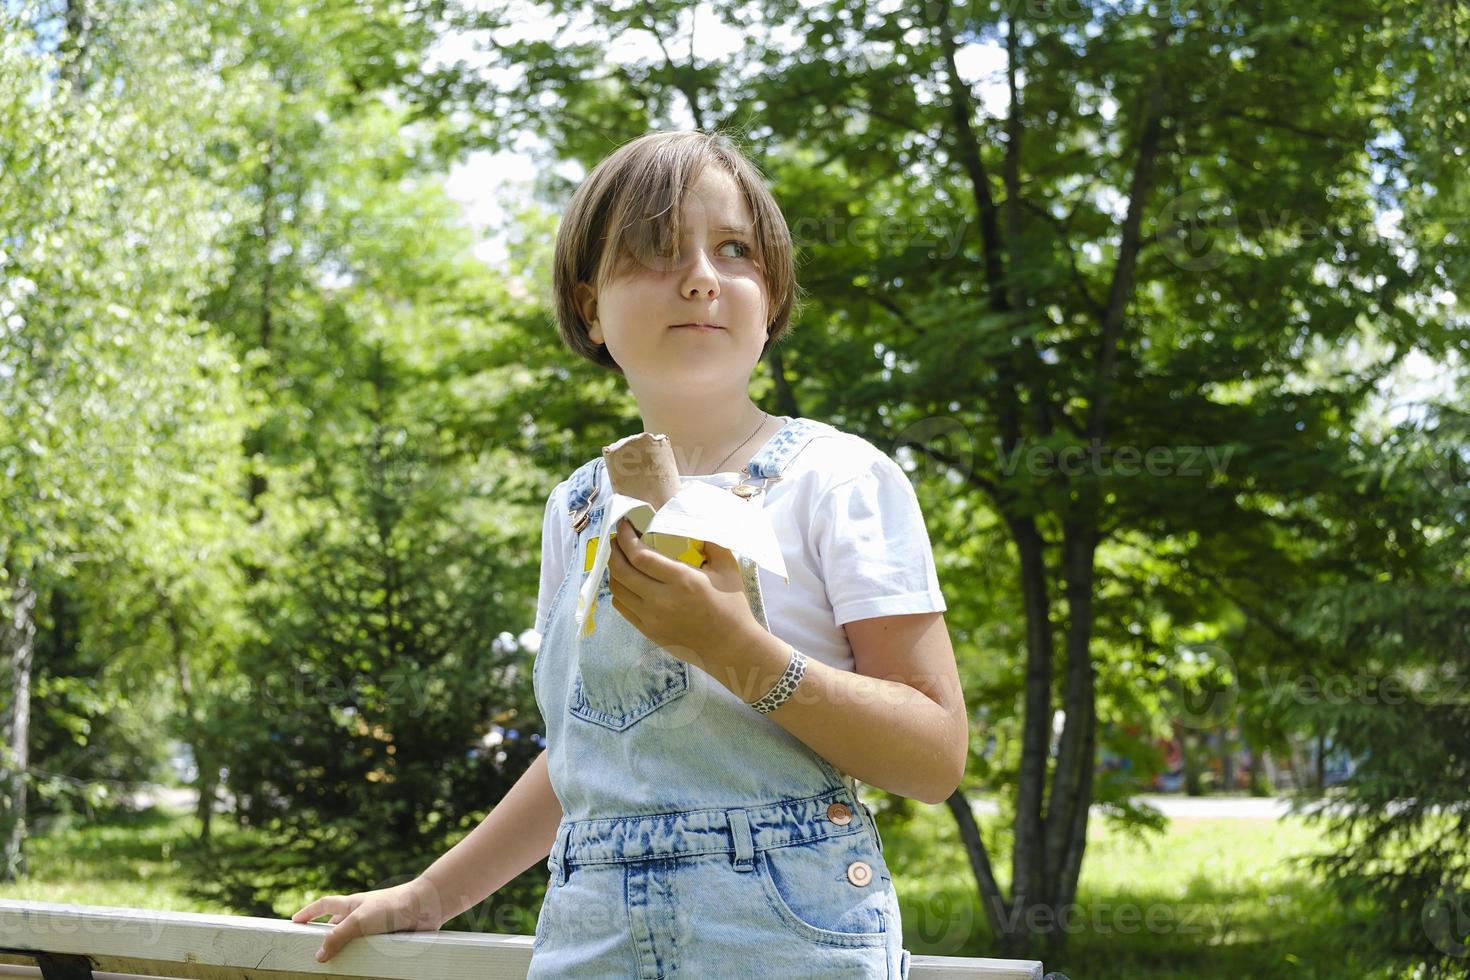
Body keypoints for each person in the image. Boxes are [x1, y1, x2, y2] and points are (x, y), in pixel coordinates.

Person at [289, 129, 967, 977]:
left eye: (734, 250)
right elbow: (587, 754)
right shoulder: (576, 508)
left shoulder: (842, 481)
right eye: (654, 250)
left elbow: (936, 758)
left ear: (773, 293)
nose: (699, 276)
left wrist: (737, 651)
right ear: (587, 308)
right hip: (589, 943)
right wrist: (427, 896)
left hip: (791, 939)